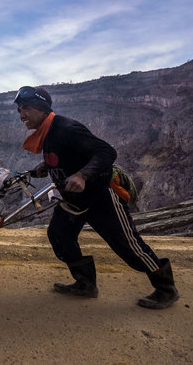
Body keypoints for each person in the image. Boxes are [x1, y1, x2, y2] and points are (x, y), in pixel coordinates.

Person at [13, 85, 179, 309]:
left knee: (128, 246)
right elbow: (66, 156)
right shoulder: (47, 132)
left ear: (42, 108)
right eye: (20, 110)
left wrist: (82, 175)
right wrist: (45, 166)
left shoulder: (66, 128)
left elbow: (106, 152)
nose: (22, 115)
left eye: (27, 108)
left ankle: (166, 289)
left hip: (100, 196)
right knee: (59, 235)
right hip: (73, 199)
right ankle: (85, 284)